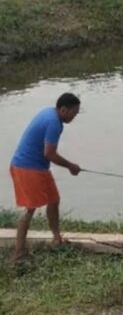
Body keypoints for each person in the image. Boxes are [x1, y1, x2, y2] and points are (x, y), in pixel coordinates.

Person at [8, 93, 82, 262]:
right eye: (74, 113)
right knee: (30, 209)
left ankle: (57, 239)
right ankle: (18, 253)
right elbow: (49, 153)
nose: (74, 117)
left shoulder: (50, 113)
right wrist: (71, 166)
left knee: (54, 200)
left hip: (38, 167)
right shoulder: (53, 123)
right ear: (63, 110)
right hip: (26, 168)